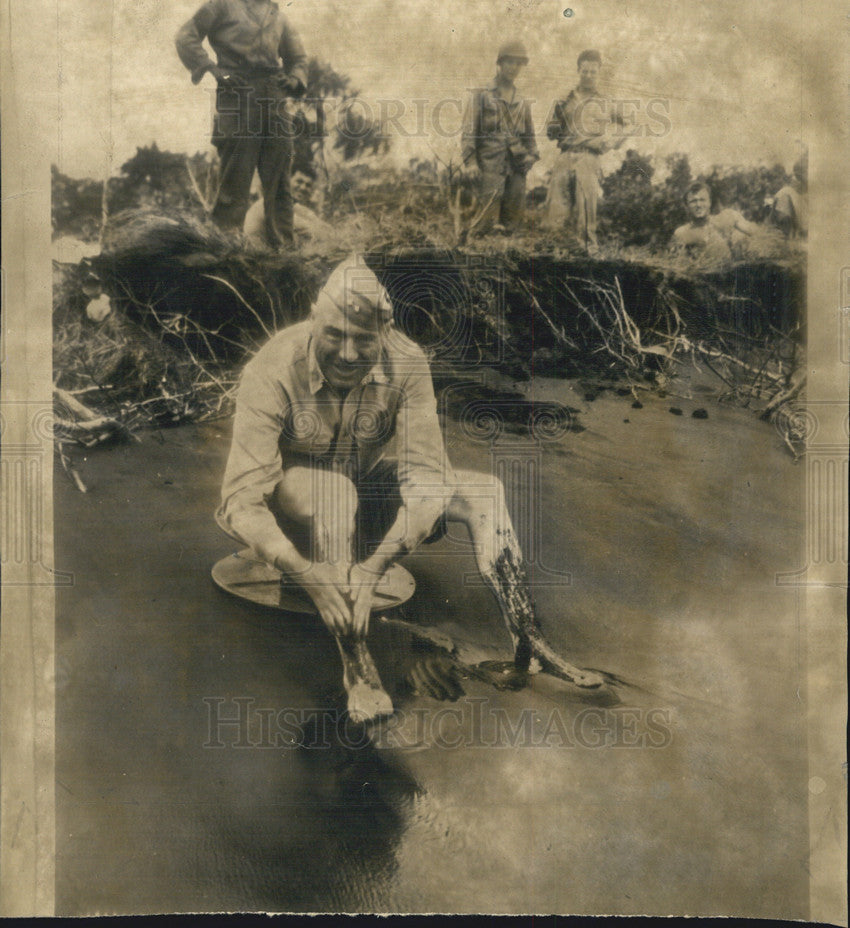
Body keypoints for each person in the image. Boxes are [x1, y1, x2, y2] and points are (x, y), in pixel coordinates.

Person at [216, 255, 600, 722]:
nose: (349, 355)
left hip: (364, 510)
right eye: (334, 335)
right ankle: (357, 668)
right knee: (335, 491)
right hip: (295, 519)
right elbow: (240, 500)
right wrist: (304, 573)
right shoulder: (272, 367)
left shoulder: (408, 361)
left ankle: (529, 639)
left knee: (485, 491)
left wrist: (377, 565)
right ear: (314, 318)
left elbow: (427, 478)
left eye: (364, 340)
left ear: (386, 331)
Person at [176, 0, 308, 247]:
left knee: (280, 181)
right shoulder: (222, 4)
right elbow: (186, 37)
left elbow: (298, 58)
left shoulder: (279, 16)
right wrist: (211, 68)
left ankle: (283, 254)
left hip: (274, 97)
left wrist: (295, 79)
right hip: (238, 93)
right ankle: (225, 251)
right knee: (235, 179)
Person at [544, 49, 626, 251]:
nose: (588, 75)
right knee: (556, 207)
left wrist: (611, 142)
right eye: (585, 71)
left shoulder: (606, 100)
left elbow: (629, 124)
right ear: (578, 71)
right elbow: (550, 132)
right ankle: (556, 252)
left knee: (586, 208)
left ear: (598, 73)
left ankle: (589, 252)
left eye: (593, 72)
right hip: (565, 155)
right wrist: (557, 115)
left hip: (589, 157)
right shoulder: (565, 98)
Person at [460, 40, 539, 236]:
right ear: (500, 63)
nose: (514, 68)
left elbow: (530, 137)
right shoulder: (481, 95)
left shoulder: (522, 100)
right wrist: (470, 163)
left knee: (512, 227)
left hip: (517, 169)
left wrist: (531, 156)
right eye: (510, 62)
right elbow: (469, 132)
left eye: (518, 63)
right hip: (489, 168)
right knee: (484, 225)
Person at [671, 181, 756, 263]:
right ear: (687, 206)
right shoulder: (683, 233)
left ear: (709, 202)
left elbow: (758, 235)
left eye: (702, 200)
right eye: (693, 201)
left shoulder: (728, 217)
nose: (698, 205)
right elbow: (676, 266)